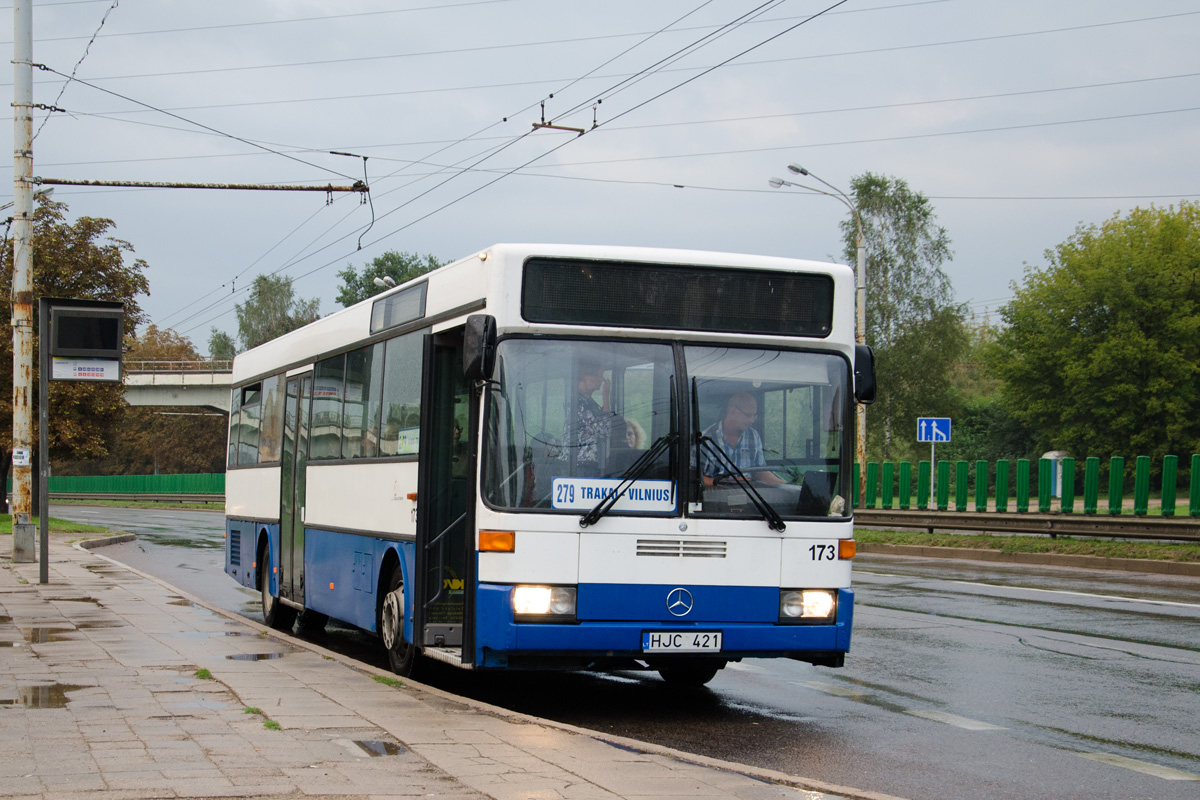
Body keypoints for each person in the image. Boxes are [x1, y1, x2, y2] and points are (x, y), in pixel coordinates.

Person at [700, 391, 784, 485]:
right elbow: (693, 478)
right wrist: (726, 483)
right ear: (732, 410)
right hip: (714, 496)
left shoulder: (753, 436)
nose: (751, 420)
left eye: (754, 416)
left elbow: (760, 471)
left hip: (749, 496)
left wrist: (785, 486)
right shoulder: (705, 439)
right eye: (748, 415)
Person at [570, 362, 616, 477]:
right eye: (598, 375)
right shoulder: (579, 404)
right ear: (584, 377)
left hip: (589, 464)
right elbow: (604, 430)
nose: (601, 379)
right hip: (583, 465)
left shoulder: (589, 402)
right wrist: (606, 397)